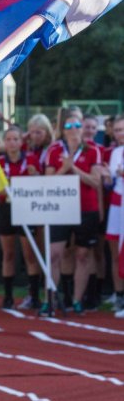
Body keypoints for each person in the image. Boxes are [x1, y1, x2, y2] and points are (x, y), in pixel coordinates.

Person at [42, 114, 103, 315]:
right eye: (69, 124)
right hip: (59, 207)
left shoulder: (92, 150)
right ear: (63, 128)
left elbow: (95, 182)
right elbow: (48, 181)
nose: (74, 128)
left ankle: (77, 300)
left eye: (78, 124)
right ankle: (49, 298)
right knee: (54, 255)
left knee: (83, 255)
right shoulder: (55, 150)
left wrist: (73, 168)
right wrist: (64, 168)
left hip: (86, 208)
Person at [0, 126, 42, 310]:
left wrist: (35, 175)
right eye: (9, 139)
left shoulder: (31, 159)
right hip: (6, 208)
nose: (12, 142)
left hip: (26, 208)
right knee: (8, 253)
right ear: (4, 143)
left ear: (21, 142)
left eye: (16, 139)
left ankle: (34, 296)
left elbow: (40, 184)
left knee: (29, 254)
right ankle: (8, 296)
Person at [103, 114, 124, 313]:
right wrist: (106, 177)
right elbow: (111, 180)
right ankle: (119, 295)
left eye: (123, 130)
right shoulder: (116, 151)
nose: (120, 134)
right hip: (117, 203)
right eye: (117, 130)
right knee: (115, 250)